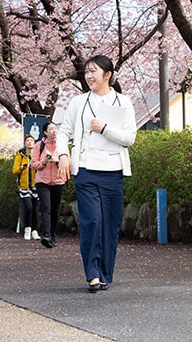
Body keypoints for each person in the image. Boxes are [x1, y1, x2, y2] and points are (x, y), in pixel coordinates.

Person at [56, 55, 136, 293]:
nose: (89, 76)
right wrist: (63, 155)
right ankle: (92, 274)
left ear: (107, 75)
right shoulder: (78, 102)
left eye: (94, 71)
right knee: (92, 222)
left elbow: (129, 138)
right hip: (86, 171)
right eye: (87, 71)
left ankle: (105, 273)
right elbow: (64, 132)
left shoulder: (123, 102)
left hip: (113, 172)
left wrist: (104, 129)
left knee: (110, 225)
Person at [31, 120, 66, 248]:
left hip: (58, 180)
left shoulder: (62, 145)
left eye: (55, 129)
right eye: (51, 129)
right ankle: (45, 235)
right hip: (42, 181)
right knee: (45, 208)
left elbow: (68, 163)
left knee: (55, 209)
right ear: (45, 132)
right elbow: (33, 164)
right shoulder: (38, 146)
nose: (54, 131)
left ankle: (52, 235)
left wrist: (57, 161)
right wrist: (44, 162)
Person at [12, 135, 40, 240]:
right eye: (27, 141)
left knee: (36, 209)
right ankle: (27, 228)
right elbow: (14, 170)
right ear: (25, 143)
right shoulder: (20, 155)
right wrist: (21, 168)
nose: (29, 142)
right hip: (24, 186)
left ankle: (35, 230)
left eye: (31, 140)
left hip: (35, 185)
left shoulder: (37, 154)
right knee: (28, 207)